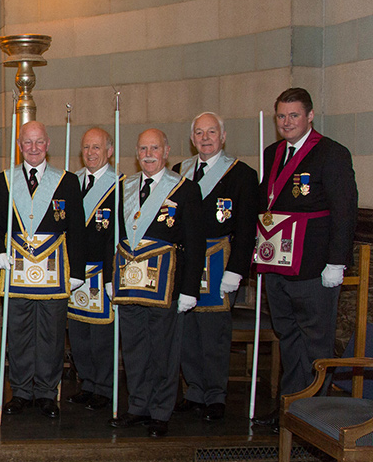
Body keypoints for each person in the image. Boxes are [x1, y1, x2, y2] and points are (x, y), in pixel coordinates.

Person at [253, 88, 358, 430]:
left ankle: (316, 415)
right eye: (281, 116)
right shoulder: (271, 153)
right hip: (279, 265)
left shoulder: (331, 153)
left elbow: (345, 211)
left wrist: (337, 262)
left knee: (316, 341)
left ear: (310, 116)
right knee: (288, 336)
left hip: (315, 267)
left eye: (294, 115)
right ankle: (291, 407)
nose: (287, 122)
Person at [0, 121, 86, 419]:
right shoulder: (3, 180)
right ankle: (20, 391)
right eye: (27, 143)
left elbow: (77, 228)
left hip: (54, 273)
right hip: (16, 270)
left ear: (48, 144)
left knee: (51, 334)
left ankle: (46, 392)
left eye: (39, 142)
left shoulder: (66, 181)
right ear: (19, 146)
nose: (33, 148)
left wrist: (77, 271)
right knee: (17, 332)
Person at [111, 129, 204, 438]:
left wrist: (190, 289)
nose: (148, 154)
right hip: (129, 283)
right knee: (135, 348)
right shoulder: (124, 187)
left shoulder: (184, 190)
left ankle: (161, 411)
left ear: (166, 152)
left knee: (163, 349)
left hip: (167, 284)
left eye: (154, 148)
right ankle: (138, 406)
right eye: (142, 148)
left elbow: (195, 242)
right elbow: (115, 237)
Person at [172, 113, 258, 422]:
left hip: (219, 260)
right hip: (184, 262)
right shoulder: (179, 172)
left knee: (214, 332)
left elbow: (248, 228)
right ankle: (194, 391)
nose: (205, 137)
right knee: (187, 331)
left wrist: (237, 269)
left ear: (222, 137)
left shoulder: (242, 175)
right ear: (192, 139)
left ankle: (215, 395)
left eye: (211, 132)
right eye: (199, 133)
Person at [67, 127, 118, 411]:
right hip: (75, 270)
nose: (91, 153)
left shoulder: (119, 185)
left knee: (101, 335)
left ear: (109, 151)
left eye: (97, 147)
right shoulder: (71, 182)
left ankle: (104, 386)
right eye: (86, 148)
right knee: (78, 333)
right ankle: (87, 383)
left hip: (102, 270)